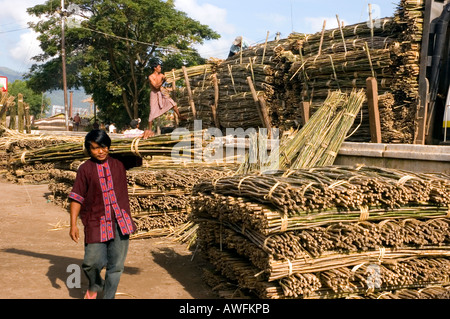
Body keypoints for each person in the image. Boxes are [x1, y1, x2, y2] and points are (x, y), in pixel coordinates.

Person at [69, 130, 137, 299]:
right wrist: (72, 224)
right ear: (89, 150)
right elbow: (77, 197)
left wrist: (144, 139)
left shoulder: (120, 162)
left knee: (116, 266)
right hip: (96, 222)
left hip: (120, 222)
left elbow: (140, 152)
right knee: (90, 263)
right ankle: (95, 284)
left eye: (103, 147)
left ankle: (109, 297)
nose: (100, 151)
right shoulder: (85, 169)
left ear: (109, 146)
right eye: (95, 148)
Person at [144, 62, 187, 139]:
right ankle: (149, 129)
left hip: (161, 93)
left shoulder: (161, 75)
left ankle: (179, 116)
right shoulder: (151, 77)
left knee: (172, 103)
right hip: (154, 94)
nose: (160, 68)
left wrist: (172, 73)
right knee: (152, 112)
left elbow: (167, 78)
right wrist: (163, 81)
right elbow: (156, 86)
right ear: (155, 68)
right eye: (159, 67)